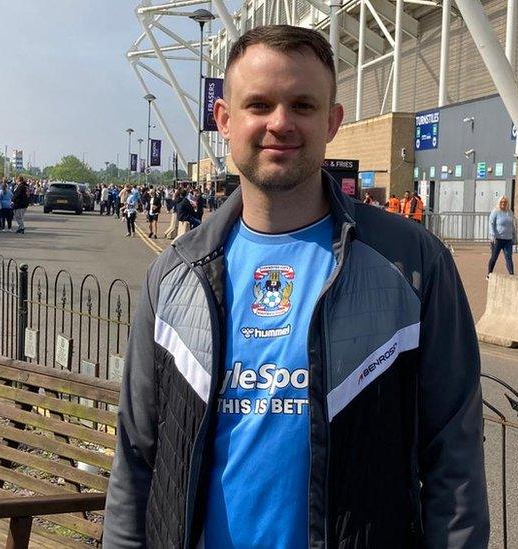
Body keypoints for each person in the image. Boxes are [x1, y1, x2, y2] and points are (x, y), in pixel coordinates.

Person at [103, 25, 488, 549]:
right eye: (258, 104)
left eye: (302, 105)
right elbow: (137, 453)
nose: (279, 123)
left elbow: (454, 458)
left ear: (332, 122)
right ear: (224, 120)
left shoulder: (413, 264)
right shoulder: (176, 274)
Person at [487, 195, 516, 276]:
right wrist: (492, 235)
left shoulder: (510, 212)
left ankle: (511, 274)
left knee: (509, 257)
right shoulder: (495, 211)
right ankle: (489, 274)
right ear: (499, 202)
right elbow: (491, 223)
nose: (503, 203)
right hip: (497, 239)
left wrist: (514, 236)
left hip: (508, 239)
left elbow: (512, 225)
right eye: (502, 202)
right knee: (494, 257)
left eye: (505, 202)